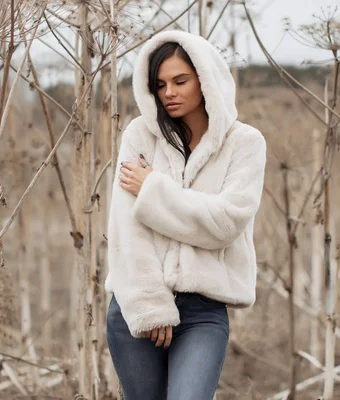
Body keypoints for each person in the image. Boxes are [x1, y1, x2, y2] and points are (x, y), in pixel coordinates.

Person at [104, 30, 267, 399]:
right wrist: (150, 306)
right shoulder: (139, 136)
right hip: (137, 306)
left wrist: (153, 190)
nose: (169, 93)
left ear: (206, 80)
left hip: (202, 312)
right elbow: (128, 230)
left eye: (180, 81)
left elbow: (225, 224)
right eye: (159, 85)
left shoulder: (245, 144)